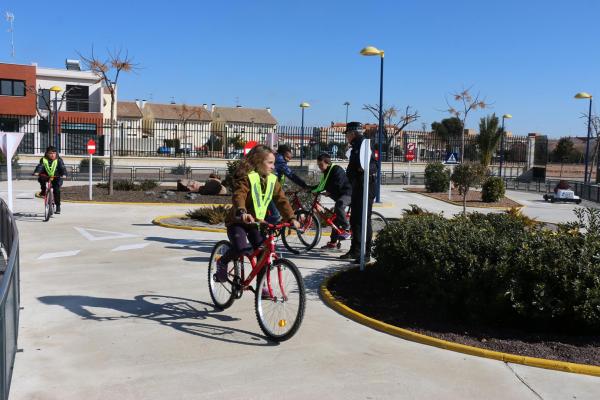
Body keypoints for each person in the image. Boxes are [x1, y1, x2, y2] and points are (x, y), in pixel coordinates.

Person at [215, 145, 301, 283]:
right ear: (258, 162)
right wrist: (242, 211)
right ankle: (222, 262)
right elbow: (239, 195)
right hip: (238, 221)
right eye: (270, 163)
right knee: (240, 248)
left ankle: (262, 287)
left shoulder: (273, 180)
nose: (273, 166)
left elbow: (281, 200)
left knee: (263, 255)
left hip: (257, 223)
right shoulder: (246, 177)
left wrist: (291, 218)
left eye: (274, 163)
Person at [341, 122, 377, 263]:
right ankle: (355, 250)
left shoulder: (364, 144)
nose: (346, 137)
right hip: (356, 187)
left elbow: (374, 164)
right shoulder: (356, 145)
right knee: (355, 220)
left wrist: (365, 169)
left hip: (365, 187)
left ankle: (365, 253)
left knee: (363, 220)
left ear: (352, 133)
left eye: (347, 134)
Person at [313, 153, 353, 248]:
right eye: (318, 165)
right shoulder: (326, 172)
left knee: (339, 205)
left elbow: (338, 184)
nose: (320, 167)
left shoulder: (336, 169)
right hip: (339, 195)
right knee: (335, 218)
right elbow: (321, 185)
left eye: (321, 165)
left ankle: (346, 228)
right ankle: (333, 242)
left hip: (347, 194)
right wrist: (309, 189)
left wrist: (329, 191)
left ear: (327, 163)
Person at [266, 144, 309, 223]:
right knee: (276, 216)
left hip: (272, 189)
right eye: (288, 157)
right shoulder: (280, 161)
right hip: (269, 190)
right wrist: (304, 185)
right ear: (284, 153)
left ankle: (267, 230)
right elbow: (291, 175)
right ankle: (261, 229)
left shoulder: (278, 159)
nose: (289, 160)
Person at [33, 146, 67, 214]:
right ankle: (43, 190)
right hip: (46, 176)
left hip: (57, 176)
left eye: (54, 153)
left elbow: (62, 168)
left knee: (56, 190)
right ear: (47, 154)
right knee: (41, 178)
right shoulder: (43, 159)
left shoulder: (59, 160)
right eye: (50, 153)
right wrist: (37, 172)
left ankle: (58, 206)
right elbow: (40, 166)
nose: (52, 155)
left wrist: (64, 174)